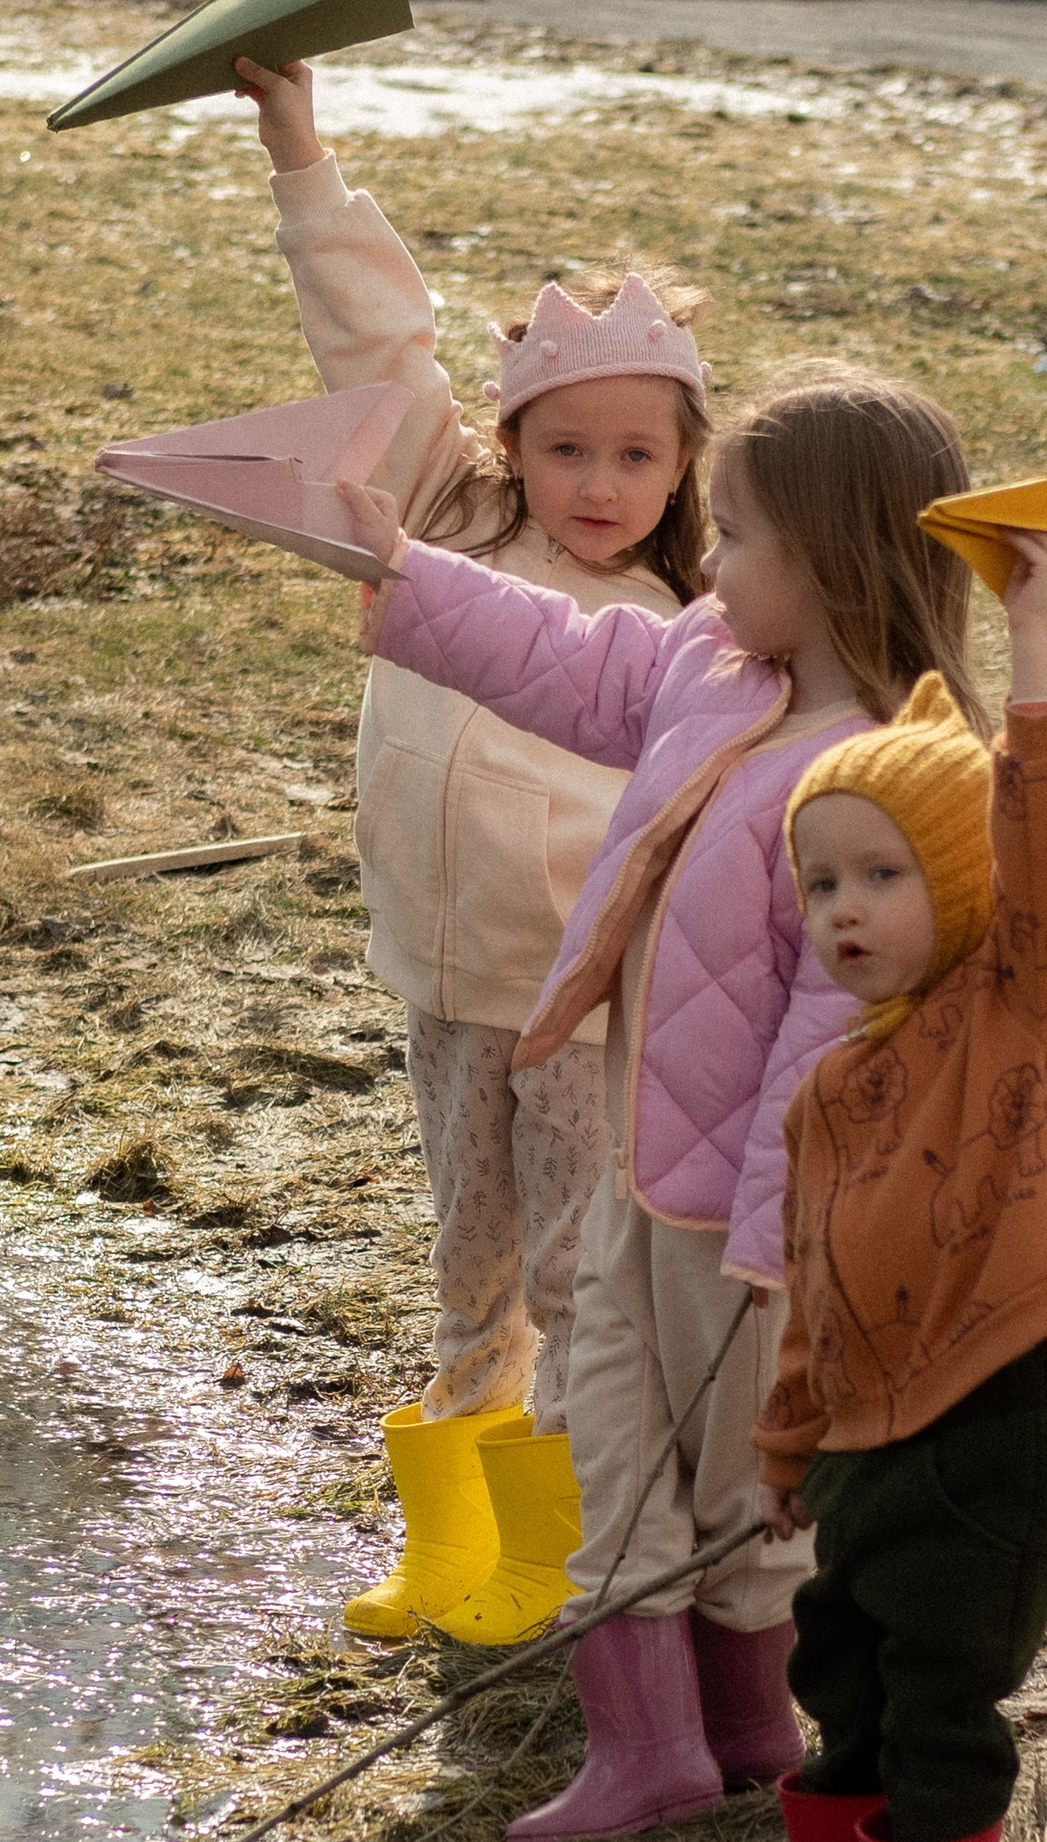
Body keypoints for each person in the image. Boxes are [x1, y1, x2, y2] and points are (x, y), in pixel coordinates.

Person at [338, 367, 985, 1842]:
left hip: (750, 1225)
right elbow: (574, 659)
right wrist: (397, 570)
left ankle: (731, 1733)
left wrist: (774, 1249)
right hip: (643, 1169)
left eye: (738, 536)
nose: (703, 560)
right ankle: (660, 1745)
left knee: (731, 1480)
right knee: (616, 1438)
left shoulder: (873, 783)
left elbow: (833, 1052)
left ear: (829, 564)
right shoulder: (714, 667)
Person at [237, 56, 711, 1649]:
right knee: (469, 1262)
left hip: (578, 1008)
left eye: (636, 458)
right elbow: (372, 336)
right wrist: (296, 143)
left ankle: (554, 1553)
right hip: (442, 981)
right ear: (513, 443)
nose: (598, 487)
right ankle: (447, 1537)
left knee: (579, 1284)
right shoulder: (444, 520)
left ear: (683, 469)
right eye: (567, 450)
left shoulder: (684, 633)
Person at [675, 525, 1047, 1842]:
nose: (845, 907)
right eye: (822, 881)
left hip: (984, 1429)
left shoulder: (1024, 1017)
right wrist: (793, 1442)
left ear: (964, 887)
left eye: (884, 876)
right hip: (870, 1438)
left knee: (941, 1695)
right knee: (844, 1668)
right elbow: (813, 1279)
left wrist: (1037, 657)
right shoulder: (834, 1090)